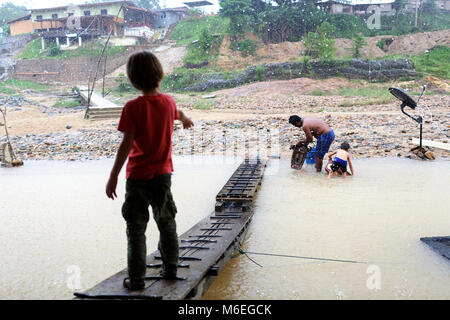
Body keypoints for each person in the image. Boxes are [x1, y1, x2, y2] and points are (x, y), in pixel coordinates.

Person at [105, 51, 194, 290]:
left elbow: (126, 144)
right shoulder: (168, 102)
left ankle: (136, 280)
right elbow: (177, 112)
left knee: (136, 229)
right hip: (163, 176)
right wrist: (185, 118)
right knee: (166, 222)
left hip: (137, 178)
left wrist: (112, 176)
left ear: (133, 80)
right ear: (159, 75)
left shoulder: (132, 107)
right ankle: (171, 268)